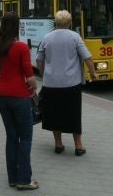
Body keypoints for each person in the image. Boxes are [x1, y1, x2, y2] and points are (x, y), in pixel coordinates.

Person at [0, 11, 39, 190]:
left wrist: (1, 82)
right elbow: (29, 75)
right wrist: (34, 88)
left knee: (11, 137)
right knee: (25, 138)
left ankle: (12, 177)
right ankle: (24, 179)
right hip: (19, 97)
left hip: (2, 96)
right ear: (17, 26)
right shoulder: (21, 48)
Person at [36, 10, 97, 156]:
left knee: (54, 113)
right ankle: (78, 146)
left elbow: (39, 59)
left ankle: (58, 144)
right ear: (70, 23)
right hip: (71, 83)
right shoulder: (75, 37)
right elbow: (87, 57)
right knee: (73, 114)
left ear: (55, 23)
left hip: (51, 84)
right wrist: (93, 73)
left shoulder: (47, 37)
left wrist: (44, 74)